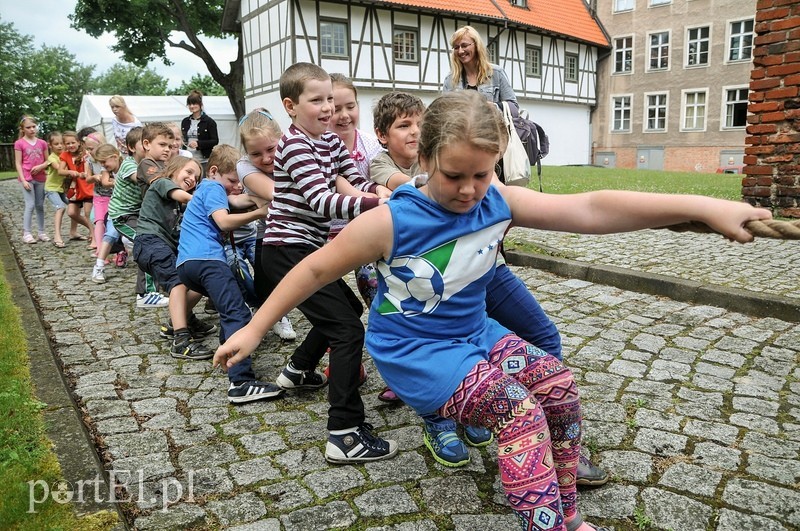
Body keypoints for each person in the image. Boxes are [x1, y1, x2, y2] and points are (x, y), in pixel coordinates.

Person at [215, 90, 771, 531]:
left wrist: (708, 206)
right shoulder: (391, 221)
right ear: (425, 157)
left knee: (556, 384)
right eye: (454, 175)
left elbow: (592, 206)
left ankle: (564, 498)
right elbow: (314, 269)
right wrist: (256, 327)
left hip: (473, 335)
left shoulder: (497, 200)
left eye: (482, 174)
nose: (468, 190)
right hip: (414, 352)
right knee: (517, 412)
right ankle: (548, 524)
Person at [261, 62, 396, 464]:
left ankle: (300, 369)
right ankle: (344, 432)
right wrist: (374, 204)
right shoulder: (294, 146)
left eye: (331, 100)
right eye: (316, 100)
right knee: (348, 329)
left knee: (348, 308)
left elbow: (354, 184)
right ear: (291, 106)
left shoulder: (332, 144)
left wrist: (397, 190)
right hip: (285, 251)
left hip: (308, 249)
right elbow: (323, 201)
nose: (327, 108)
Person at [177, 144, 282, 402]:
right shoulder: (213, 187)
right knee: (237, 312)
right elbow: (223, 221)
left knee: (230, 310)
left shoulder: (208, 190)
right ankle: (241, 383)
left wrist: (261, 196)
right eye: (232, 180)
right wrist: (259, 212)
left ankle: (229, 353)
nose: (237, 185)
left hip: (188, 265)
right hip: (208, 261)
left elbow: (237, 201)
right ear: (214, 171)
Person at [132, 156, 216, 360]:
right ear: (173, 170)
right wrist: (207, 200)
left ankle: (182, 319)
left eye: (196, 177)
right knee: (177, 284)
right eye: (188, 172)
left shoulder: (181, 205)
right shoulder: (162, 183)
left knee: (197, 280)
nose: (192, 178)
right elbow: (185, 197)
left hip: (166, 248)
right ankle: (181, 340)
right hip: (149, 241)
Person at [232, 108, 297, 340]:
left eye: (271, 149)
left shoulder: (293, 152)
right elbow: (274, 195)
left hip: (298, 231)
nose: (267, 158)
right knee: (263, 277)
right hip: (266, 232)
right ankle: (271, 315)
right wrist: (257, 200)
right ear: (246, 153)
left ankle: (278, 313)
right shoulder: (244, 166)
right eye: (256, 154)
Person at [108, 126, 169, 309]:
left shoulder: (153, 164)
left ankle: (161, 284)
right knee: (148, 245)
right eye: (145, 144)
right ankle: (146, 294)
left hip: (138, 214)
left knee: (158, 244)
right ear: (133, 147)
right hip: (123, 216)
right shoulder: (130, 165)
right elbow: (142, 178)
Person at [442, 25, 518, 112]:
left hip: (492, 125)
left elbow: (514, 108)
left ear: (476, 45)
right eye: (456, 47)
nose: (460, 51)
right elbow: (443, 113)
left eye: (464, 45)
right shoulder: (450, 79)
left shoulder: (496, 73)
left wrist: (493, 106)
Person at [90, 143, 128, 283]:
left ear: (114, 157)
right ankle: (99, 266)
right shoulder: (108, 169)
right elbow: (106, 182)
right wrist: (118, 181)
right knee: (111, 234)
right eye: (101, 163)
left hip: (133, 207)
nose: (103, 165)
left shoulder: (127, 166)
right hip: (117, 207)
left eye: (104, 162)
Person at [14, 116, 49, 244]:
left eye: (34, 126)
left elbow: (48, 160)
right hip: (27, 178)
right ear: (22, 129)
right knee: (30, 205)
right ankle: (27, 233)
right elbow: (18, 163)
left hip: (40, 178)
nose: (32, 129)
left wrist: (42, 166)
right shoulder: (19, 143)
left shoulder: (42, 143)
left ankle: (41, 232)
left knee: (40, 205)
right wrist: (23, 180)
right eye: (28, 127)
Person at [57, 131, 94, 244]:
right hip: (74, 188)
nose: (70, 145)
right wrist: (70, 171)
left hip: (87, 186)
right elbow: (60, 171)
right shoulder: (65, 155)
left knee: (88, 213)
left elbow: (89, 170)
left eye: (73, 142)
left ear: (78, 142)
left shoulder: (85, 154)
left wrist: (84, 174)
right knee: (72, 212)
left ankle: (94, 235)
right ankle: (94, 229)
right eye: (67, 143)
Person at [81, 131, 112, 254]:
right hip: (99, 196)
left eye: (91, 149)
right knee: (98, 221)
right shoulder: (89, 160)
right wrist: (95, 177)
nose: (88, 152)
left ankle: (118, 250)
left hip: (113, 196)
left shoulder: (110, 158)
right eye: (87, 149)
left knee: (111, 223)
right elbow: (87, 179)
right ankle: (100, 251)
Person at [181, 90, 219, 170]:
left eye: (194, 104)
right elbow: (182, 139)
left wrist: (198, 143)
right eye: (190, 104)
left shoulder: (209, 122)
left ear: (200, 105)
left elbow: (215, 140)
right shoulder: (185, 121)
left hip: (204, 160)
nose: (192, 106)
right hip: (187, 159)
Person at [43, 131, 68, 248]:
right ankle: (57, 236)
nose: (60, 146)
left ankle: (75, 231)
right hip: (51, 188)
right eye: (56, 144)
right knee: (61, 207)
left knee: (75, 205)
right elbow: (59, 169)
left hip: (61, 189)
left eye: (62, 143)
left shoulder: (66, 155)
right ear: (50, 146)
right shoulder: (52, 158)